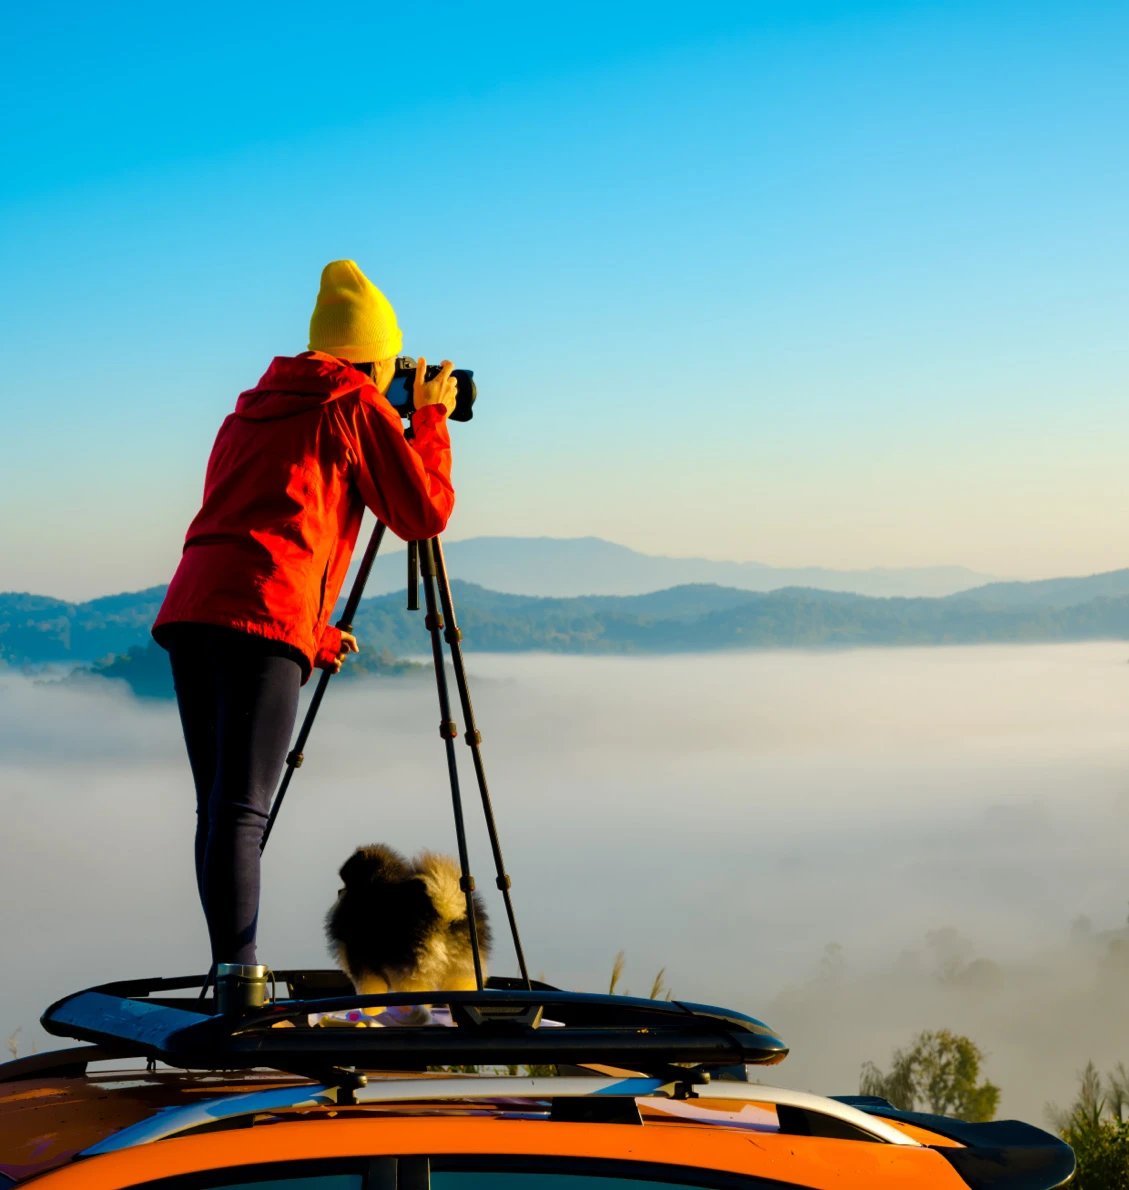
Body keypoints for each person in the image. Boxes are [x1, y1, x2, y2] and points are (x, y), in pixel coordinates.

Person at [152, 259, 456, 969]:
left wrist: (312, 632)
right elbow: (422, 513)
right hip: (259, 617)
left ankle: (230, 968)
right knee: (241, 810)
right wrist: (431, 420)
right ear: (373, 361)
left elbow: (262, 522)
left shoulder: (249, 410)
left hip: (194, 611)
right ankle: (240, 976)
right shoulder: (354, 404)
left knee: (218, 806)